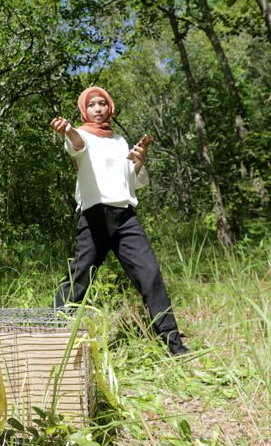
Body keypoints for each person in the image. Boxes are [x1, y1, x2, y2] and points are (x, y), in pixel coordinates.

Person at [49, 86, 189, 357]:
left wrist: (138, 161)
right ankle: (51, 337)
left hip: (125, 218)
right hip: (94, 219)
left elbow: (132, 180)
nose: (98, 108)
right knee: (78, 281)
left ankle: (175, 346)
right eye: (92, 105)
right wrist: (67, 129)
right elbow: (78, 146)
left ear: (110, 107)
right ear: (84, 110)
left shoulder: (120, 140)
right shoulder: (81, 135)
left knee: (150, 277)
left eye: (103, 103)